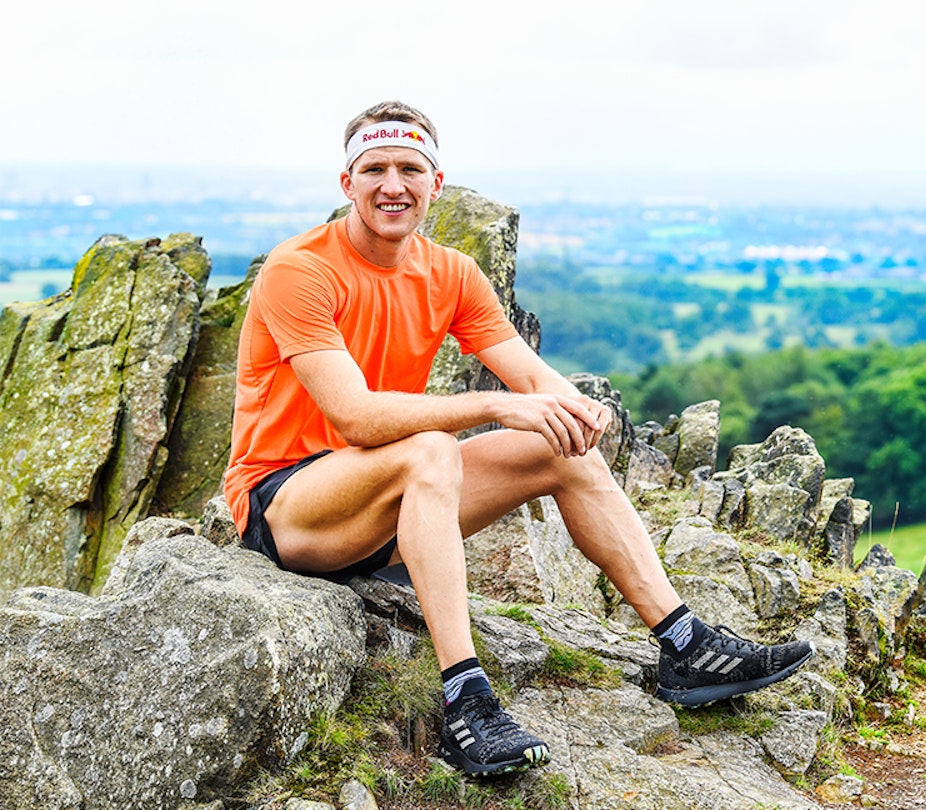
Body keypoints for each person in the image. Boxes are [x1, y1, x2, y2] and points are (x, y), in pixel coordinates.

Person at [222, 101, 813, 777]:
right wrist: (499, 407)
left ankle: (685, 645)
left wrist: (575, 410)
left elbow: (529, 373)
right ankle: (466, 703)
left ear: (434, 185)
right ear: (346, 183)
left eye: (410, 169)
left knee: (560, 450)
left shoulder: (451, 273)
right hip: (288, 508)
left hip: (384, 512)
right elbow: (353, 418)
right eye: (376, 168)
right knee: (432, 449)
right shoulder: (300, 269)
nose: (394, 185)